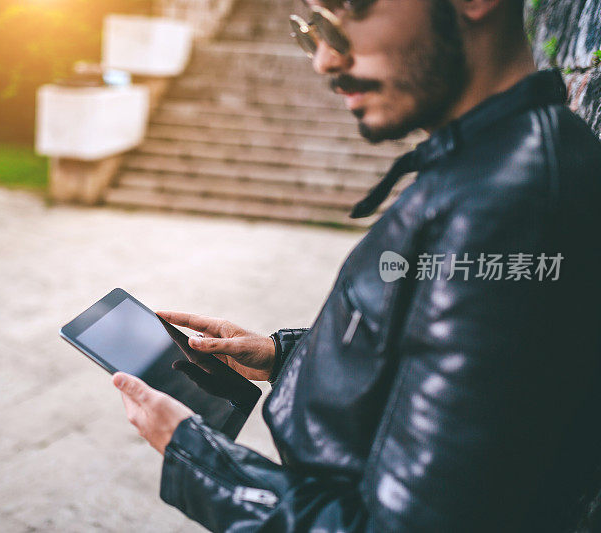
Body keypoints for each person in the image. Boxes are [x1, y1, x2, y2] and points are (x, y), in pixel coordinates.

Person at [111, 0, 601, 530]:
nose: (323, 58)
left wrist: (197, 457)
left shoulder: (510, 208)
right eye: (311, 31)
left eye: (346, 14)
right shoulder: (497, 166)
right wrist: (285, 355)